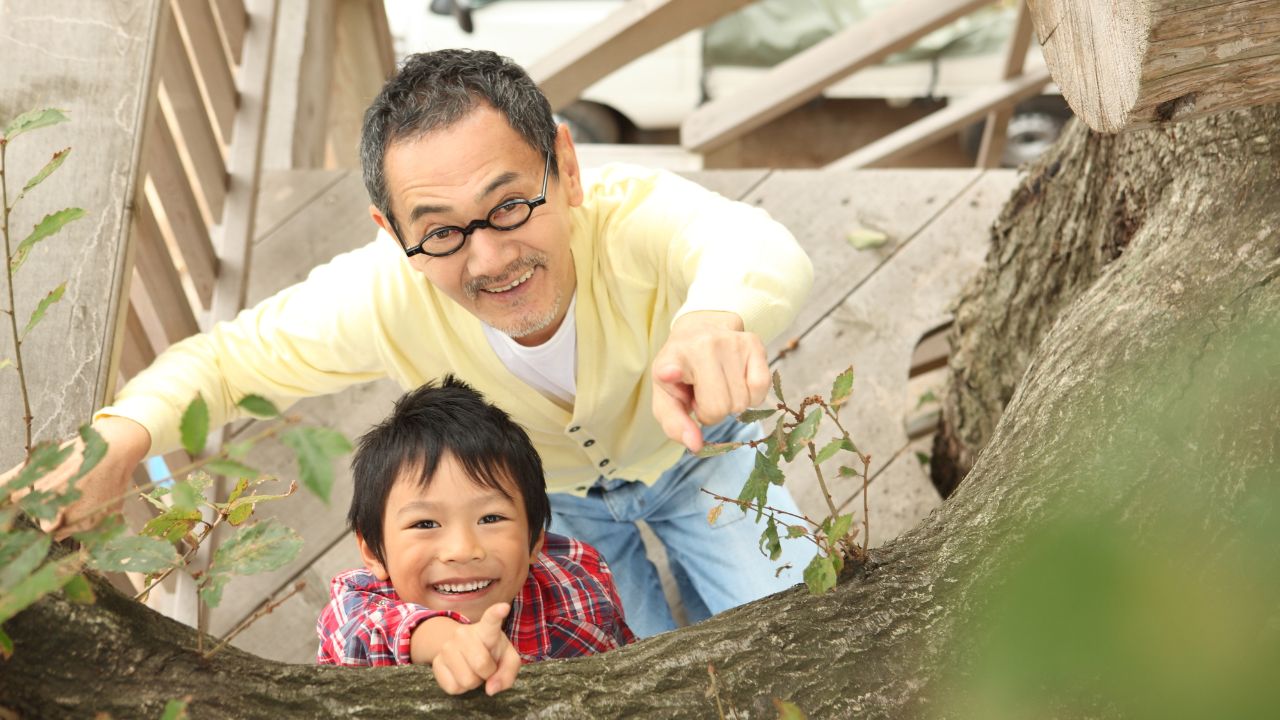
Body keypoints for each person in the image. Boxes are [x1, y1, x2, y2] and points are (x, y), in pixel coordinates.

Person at [20, 49, 816, 637]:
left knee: (802, 628)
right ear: (392, 232)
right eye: (439, 231)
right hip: (546, 507)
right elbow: (223, 363)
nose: (491, 258)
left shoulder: (629, 215)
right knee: (624, 665)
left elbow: (754, 247)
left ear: (565, 168)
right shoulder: (381, 295)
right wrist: (117, 445)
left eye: (509, 206)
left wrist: (712, 317)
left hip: (700, 456)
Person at [317, 376, 633, 695]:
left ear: (535, 540)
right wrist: (444, 638)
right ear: (373, 551)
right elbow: (357, 630)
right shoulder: (358, 601)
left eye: (491, 517)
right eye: (425, 523)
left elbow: (627, 670)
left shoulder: (579, 590)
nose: (463, 549)